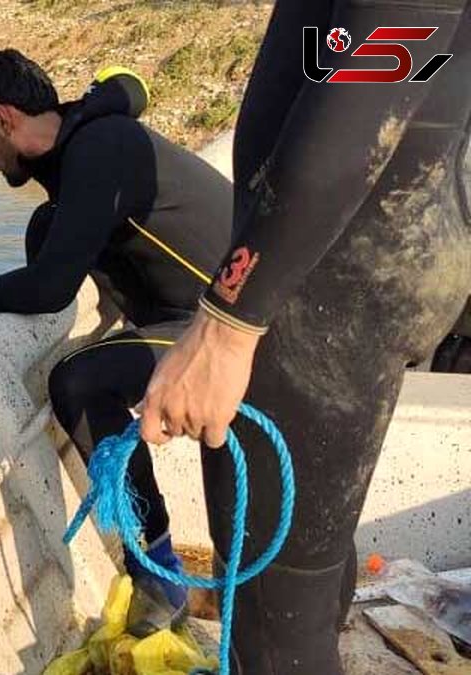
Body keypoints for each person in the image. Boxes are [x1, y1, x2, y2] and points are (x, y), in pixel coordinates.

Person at [135, 2, 470, 672]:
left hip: (324, 288)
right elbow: (383, 65)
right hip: (369, 264)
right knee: (306, 571)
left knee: (272, 621)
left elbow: (357, 112)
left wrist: (227, 323)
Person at [0, 51, 236, 620]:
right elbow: (130, 83)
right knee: (48, 225)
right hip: (189, 312)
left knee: (77, 382)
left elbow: (53, 287)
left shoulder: (96, 149)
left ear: (5, 117)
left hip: (221, 323)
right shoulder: (84, 134)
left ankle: (157, 571)